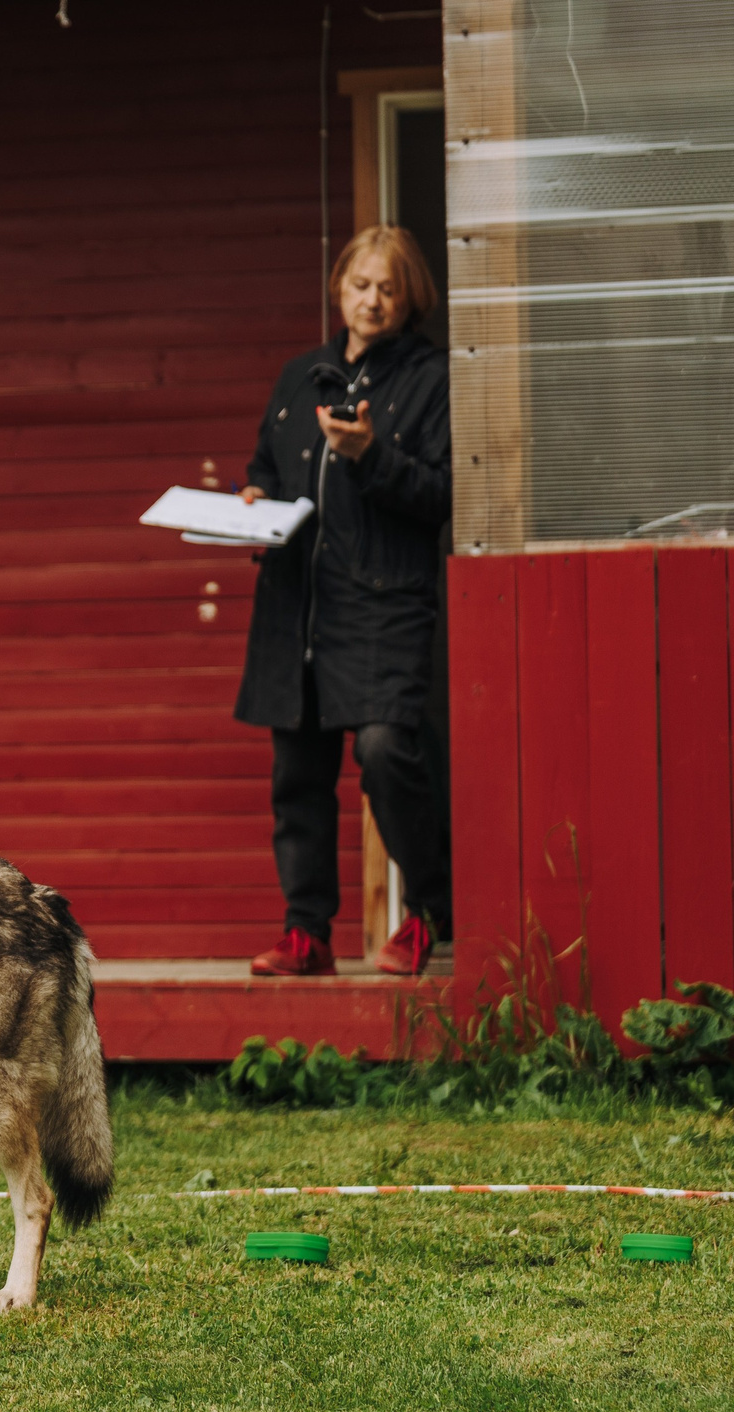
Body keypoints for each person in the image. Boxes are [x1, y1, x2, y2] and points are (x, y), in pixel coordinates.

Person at [235, 225, 452, 977]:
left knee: (388, 752)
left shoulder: (432, 380)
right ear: (339, 289)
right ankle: (307, 934)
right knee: (298, 773)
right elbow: (265, 462)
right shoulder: (303, 376)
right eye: (362, 285)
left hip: (384, 600)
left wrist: (373, 459)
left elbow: (443, 493)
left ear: (409, 300)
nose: (373, 300)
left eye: (389, 289)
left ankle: (429, 911)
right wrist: (254, 495)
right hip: (296, 601)